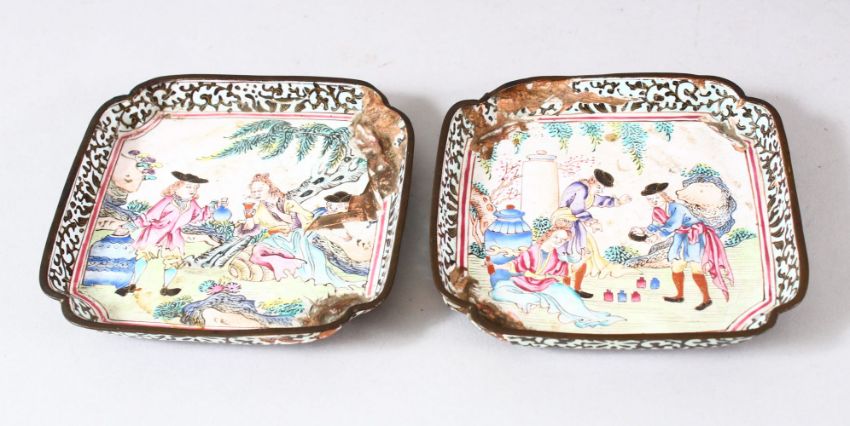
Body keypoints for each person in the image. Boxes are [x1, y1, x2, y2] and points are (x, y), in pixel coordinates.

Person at [489, 225, 623, 328]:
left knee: (567, 294)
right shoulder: (533, 250)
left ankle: (585, 315)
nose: (559, 241)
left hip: (544, 284)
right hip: (525, 282)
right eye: (556, 237)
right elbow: (515, 265)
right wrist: (496, 266)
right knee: (499, 291)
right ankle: (529, 299)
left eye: (563, 240)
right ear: (549, 235)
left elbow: (567, 270)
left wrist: (583, 259)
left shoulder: (555, 256)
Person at [240, 173, 360, 288]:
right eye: (254, 191)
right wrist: (248, 216)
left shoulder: (286, 202)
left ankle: (305, 271)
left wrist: (277, 212)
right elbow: (250, 227)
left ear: (269, 188)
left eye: (260, 190)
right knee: (259, 251)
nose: (257, 193)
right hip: (277, 237)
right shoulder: (260, 208)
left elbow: (295, 222)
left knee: (308, 247)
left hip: (293, 235)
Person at [637, 182, 734, 311]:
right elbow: (655, 225)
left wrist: (657, 236)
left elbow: (673, 224)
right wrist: (644, 231)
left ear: (663, 196)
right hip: (680, 237)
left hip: (695, 236)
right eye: (650, 199)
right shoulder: (657, 211)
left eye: (656, 197)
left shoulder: (677, 208)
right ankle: (679, 295)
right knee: (677, 266)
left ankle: (706, 298)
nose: (654, 201)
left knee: (696, 268)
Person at [124, 171, 216, 297]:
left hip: (174, 236)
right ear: (177, 187)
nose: (193, 190)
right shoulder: (167, 201)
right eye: (189, 186)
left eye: (195, 187)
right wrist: (131, 226)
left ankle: (165, 288)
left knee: (174, 260)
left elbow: (199, 217)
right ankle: (132, 284)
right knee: (144, 255)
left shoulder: (192, 204)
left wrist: (211, 207)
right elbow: (149, 216)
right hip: (155, 232)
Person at [550, 169, 631, 298]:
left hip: (575, 224)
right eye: (599, 187)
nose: (600, 191)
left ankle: (577, 288)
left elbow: (598, 200)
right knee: (569, 258)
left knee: (583, 256)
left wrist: (617, 202)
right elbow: (577, 208)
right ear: (592, 180)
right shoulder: (580, 188)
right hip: (565, 223)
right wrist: (591, 222)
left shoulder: (588, 191)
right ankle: (566, 289)